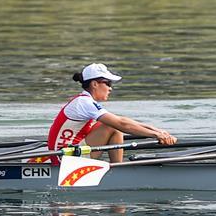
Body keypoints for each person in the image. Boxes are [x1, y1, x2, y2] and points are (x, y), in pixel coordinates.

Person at [47, 63, 177, 164]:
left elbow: (122, 120)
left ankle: (117, 168)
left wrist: (158, 131)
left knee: (110, 123)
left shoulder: (84, 101)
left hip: (67, 153)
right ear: (94, 84)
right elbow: (121, 124)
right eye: (108, 83)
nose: (110, 88)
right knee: (113, 126)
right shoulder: (84, 102)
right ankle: (118, 171)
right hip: (65, 160)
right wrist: (155, 135)